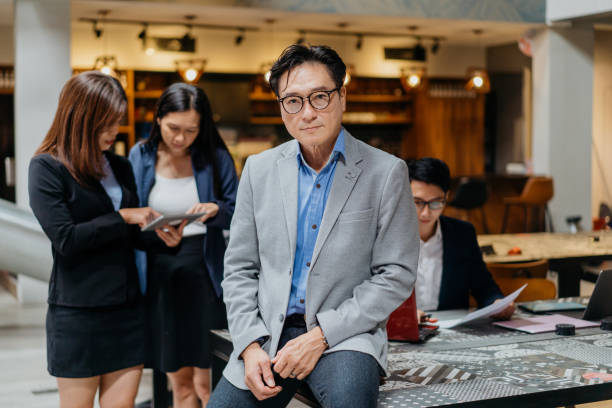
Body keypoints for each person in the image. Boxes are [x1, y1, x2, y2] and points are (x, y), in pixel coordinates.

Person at [208, 44, 419, 408]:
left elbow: (396, 273)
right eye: (293, 101)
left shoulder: (385, 172)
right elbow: (240, 268)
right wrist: (249, 345)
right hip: (268, 332)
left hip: (345, 333)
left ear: (342, 97)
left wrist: (321, 335)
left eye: (320, 97)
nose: (307, 113)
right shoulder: (259, 170)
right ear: (281, 108)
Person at [28, 71, 184, 408]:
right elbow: (66, 239)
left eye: (117, 122)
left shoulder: (119, 165)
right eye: (106, 123)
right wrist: (124, 216)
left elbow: (127, 237)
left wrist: (161, 236)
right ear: (81, 119)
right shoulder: (46, 168)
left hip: (126, 311)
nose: (114, 132)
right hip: (77, 315)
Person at [128, 83, 238, 407]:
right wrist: (152, 231)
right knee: (179, 384)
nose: (180, 138)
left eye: (191, 130)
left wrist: (215, 210)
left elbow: (238, 211)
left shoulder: (214, 157)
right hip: (161, 275)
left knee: (209, 383)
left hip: (205, 275)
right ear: (158, 118)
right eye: (173, 128)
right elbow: (130, 214)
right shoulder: (141, 155)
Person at [407, 157, 515, 320]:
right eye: (418, 202)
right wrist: (401, 317)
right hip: (402, 332)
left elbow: (484, 287)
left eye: (436, 203)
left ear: (447, 196)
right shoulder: (387, 236)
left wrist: (497, 303)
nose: (426, 213)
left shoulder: (462, 234)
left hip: (451, 329)